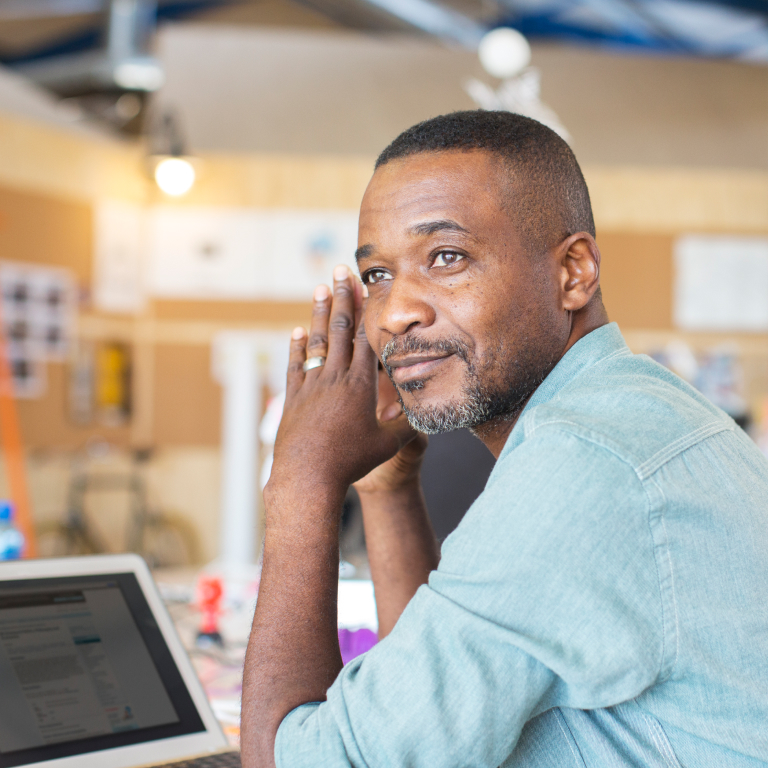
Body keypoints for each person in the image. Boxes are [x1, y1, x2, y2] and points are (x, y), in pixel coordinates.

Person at [240, 111, 768, 768]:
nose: (397, 311)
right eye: (377, 274)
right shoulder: (631, 410)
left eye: (447, 257)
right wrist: (388, 486)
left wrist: (299, 480)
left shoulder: (581, 468)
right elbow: (429, 711)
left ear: (574, 272)